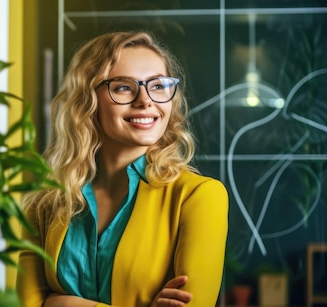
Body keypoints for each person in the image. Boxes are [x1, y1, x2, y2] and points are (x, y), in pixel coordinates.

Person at [16, 31, 228, 307]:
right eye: (124, 87)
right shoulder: (47, 202)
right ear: (87, 100)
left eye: (158, 85)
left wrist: (61, 303)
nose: (145, 100)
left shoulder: (200, 197)